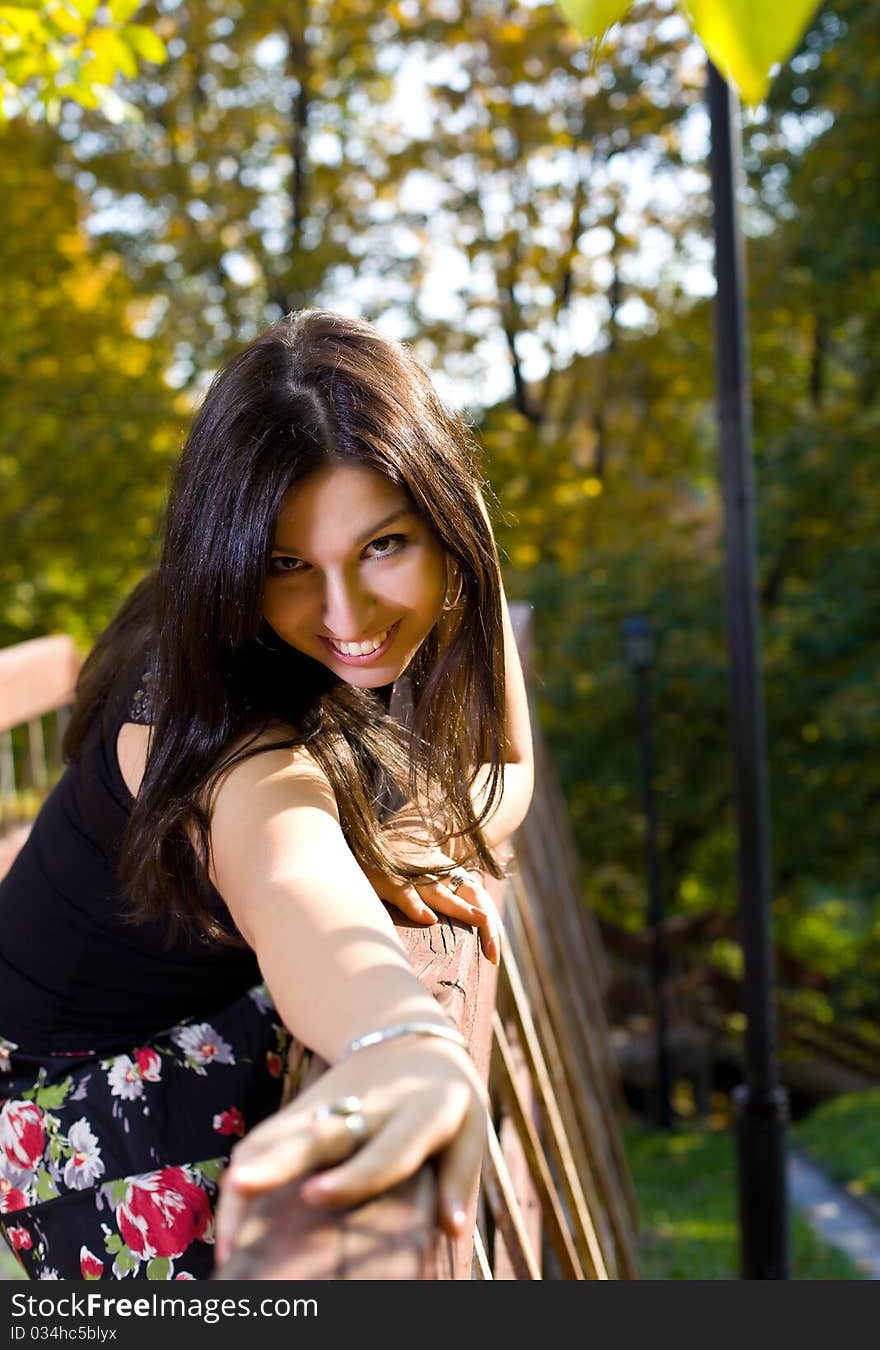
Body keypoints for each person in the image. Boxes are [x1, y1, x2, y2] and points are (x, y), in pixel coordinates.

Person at [0, 310, 534, 1280]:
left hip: (197, 1019)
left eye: (383, 546)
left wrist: (417, 838)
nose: (348, 616)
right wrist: (405, 1041)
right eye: (286, 565)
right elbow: (293, 879)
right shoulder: (214, 740)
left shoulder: (451, 566)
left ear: (447, 522)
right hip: (54, 1121)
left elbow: (502, 767)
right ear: (231, 560)